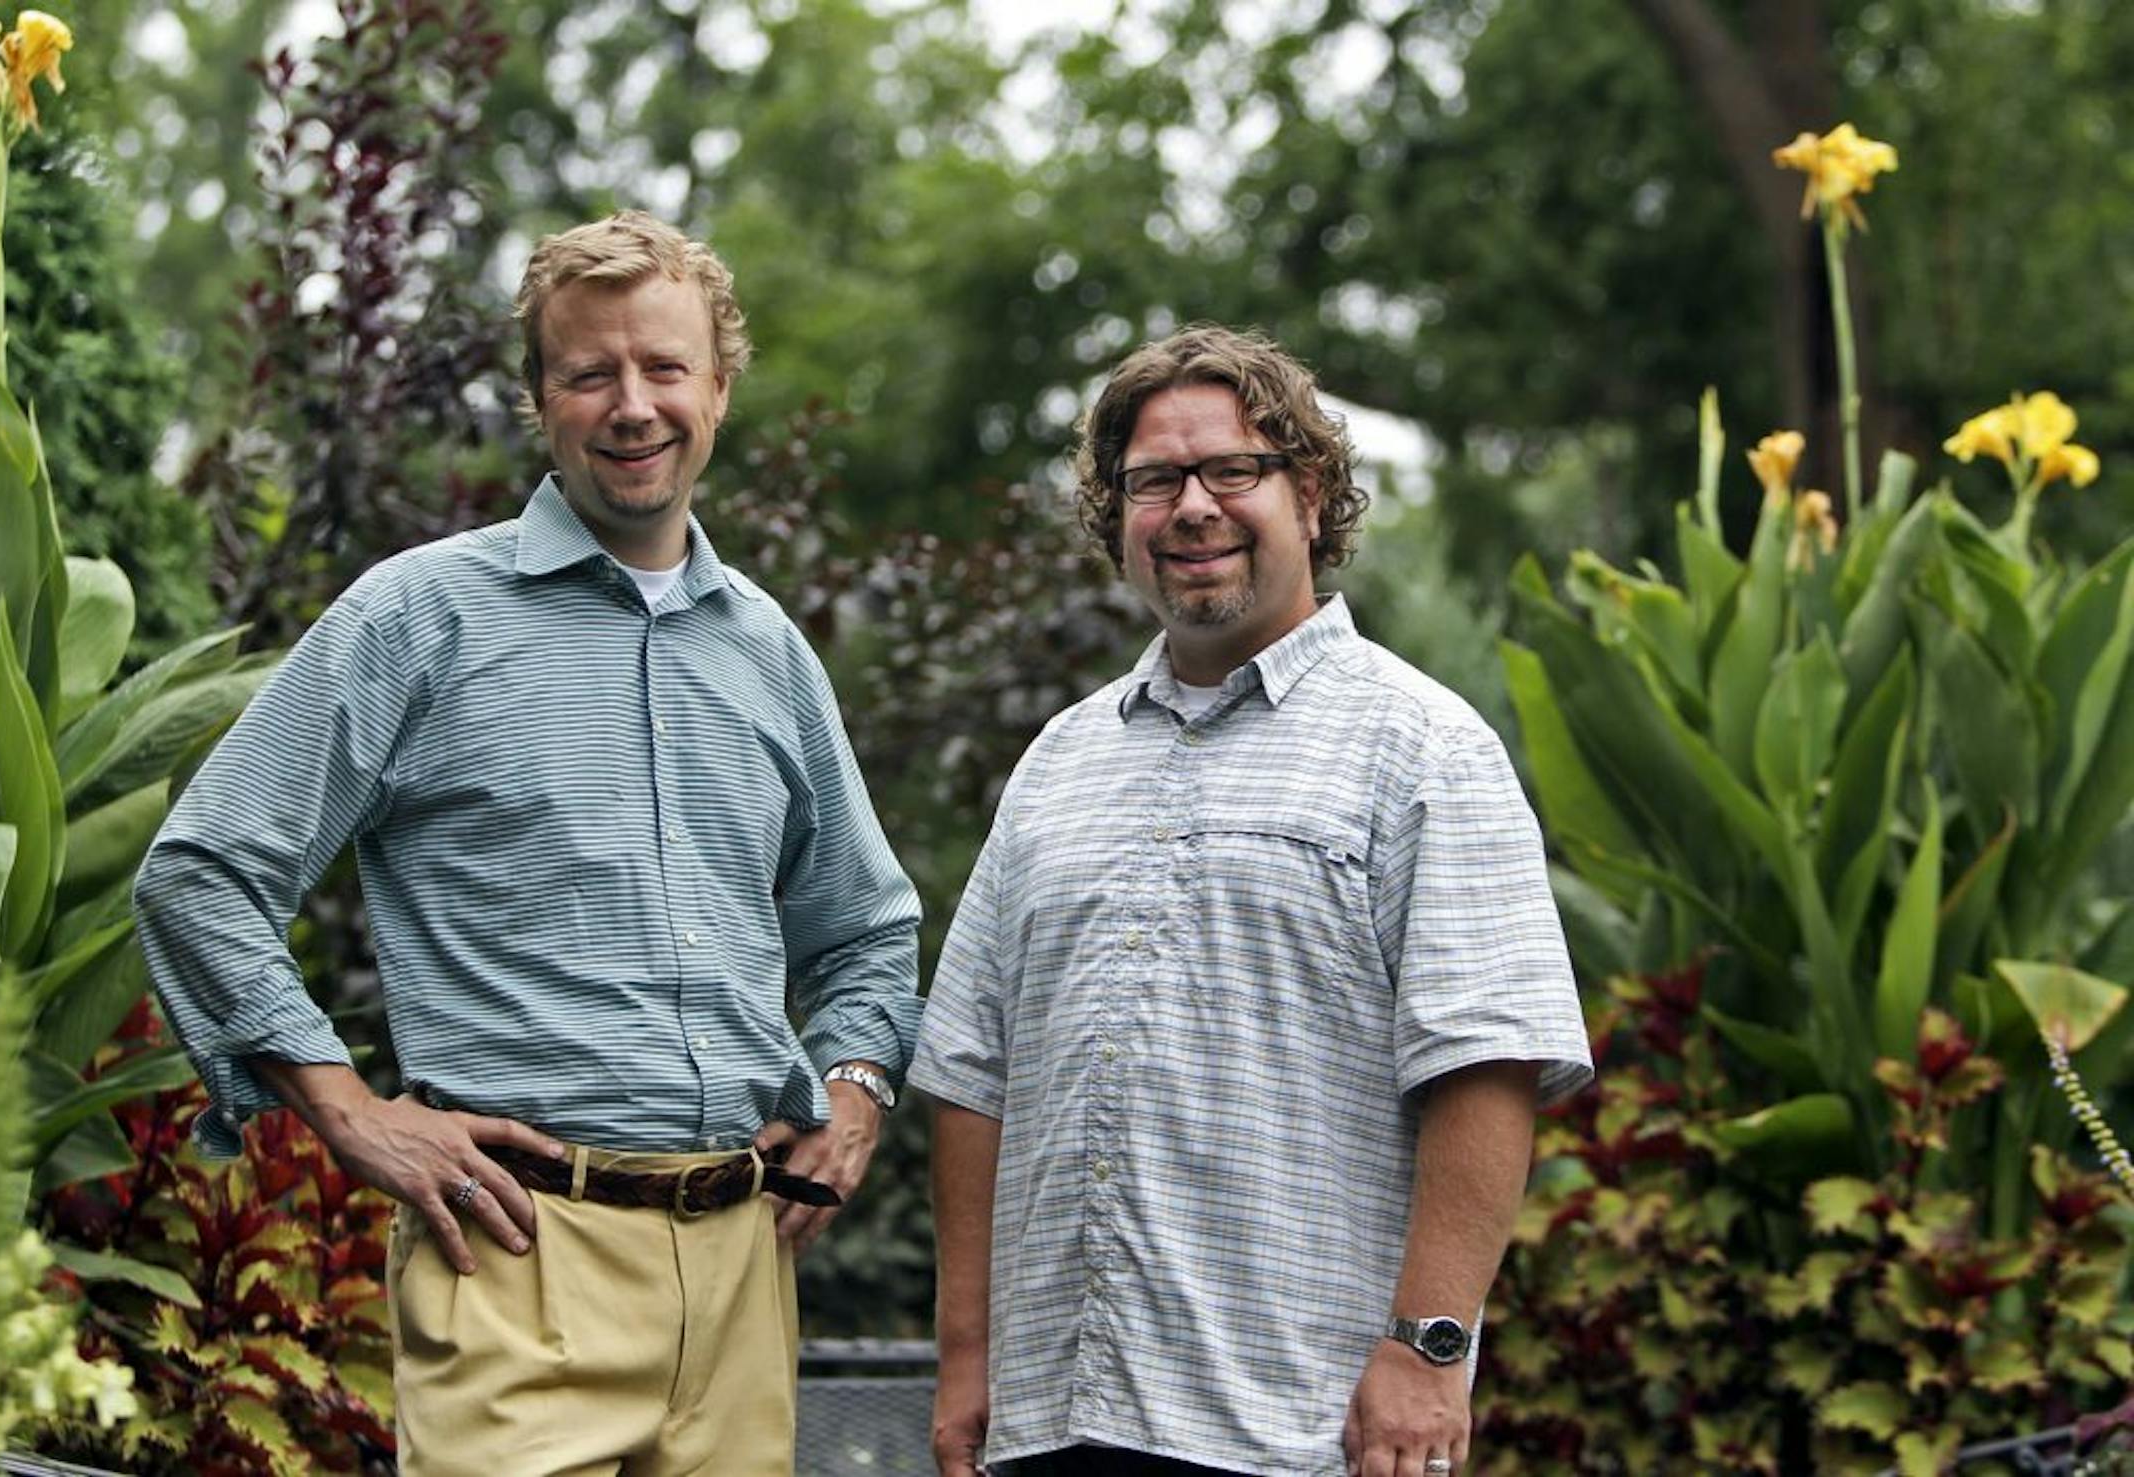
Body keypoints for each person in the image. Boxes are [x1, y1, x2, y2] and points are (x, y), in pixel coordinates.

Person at [134, 209, 921, 1476]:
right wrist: (349, 1113)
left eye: (664, 367)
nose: (632, 405)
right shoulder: (419, 616)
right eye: (589, 372)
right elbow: (203, 871)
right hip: (516, 1261)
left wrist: (857, 1087)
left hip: (742, 1281)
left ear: (720, 386)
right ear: (539, 398)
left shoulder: (769, 650)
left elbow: (868, 927)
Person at [911, 323, 1594, 1477]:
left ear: (1310, 494)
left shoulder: (1425, 749)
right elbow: (973, 1072)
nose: (1193, 508)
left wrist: (1429, 1347)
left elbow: (1488, 1063)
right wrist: (969, 1352)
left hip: (1297, 1431)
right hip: (1052, 1418)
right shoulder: (1058, 764)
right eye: (1154, 480)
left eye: (1233, 470)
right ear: (1116, 515)